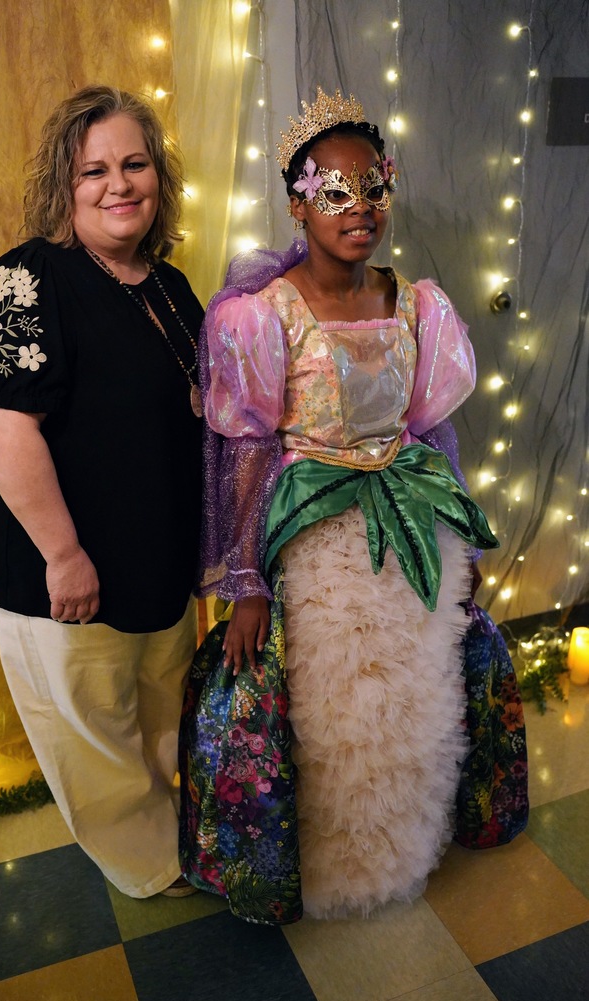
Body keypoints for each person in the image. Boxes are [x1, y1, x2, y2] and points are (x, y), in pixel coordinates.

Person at [179, 88, 525, 925]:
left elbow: (430, 436)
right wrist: (247, 582)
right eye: (334, 191)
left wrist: (461, 549)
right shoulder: (260, 317)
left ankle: (402, 845)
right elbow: (245, 456)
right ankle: (332, 863)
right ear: (297, 201)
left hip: (410, 531)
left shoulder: (417, 304)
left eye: (373, 186)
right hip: (314, 540)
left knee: (413, 698)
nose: (358, 208)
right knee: (330, 710)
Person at [0, 85, 203, 898]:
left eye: (134, 163)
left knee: (159, 718)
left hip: (158, 562)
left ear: (158, 176)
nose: (119, 184)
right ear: (63, 188)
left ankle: (183, 833)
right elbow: (4, 429)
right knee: (95, 735)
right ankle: (149, 869)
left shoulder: (168, 287)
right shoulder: (28, 279)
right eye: (93, 170)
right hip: (68, 571)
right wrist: (63, 556)